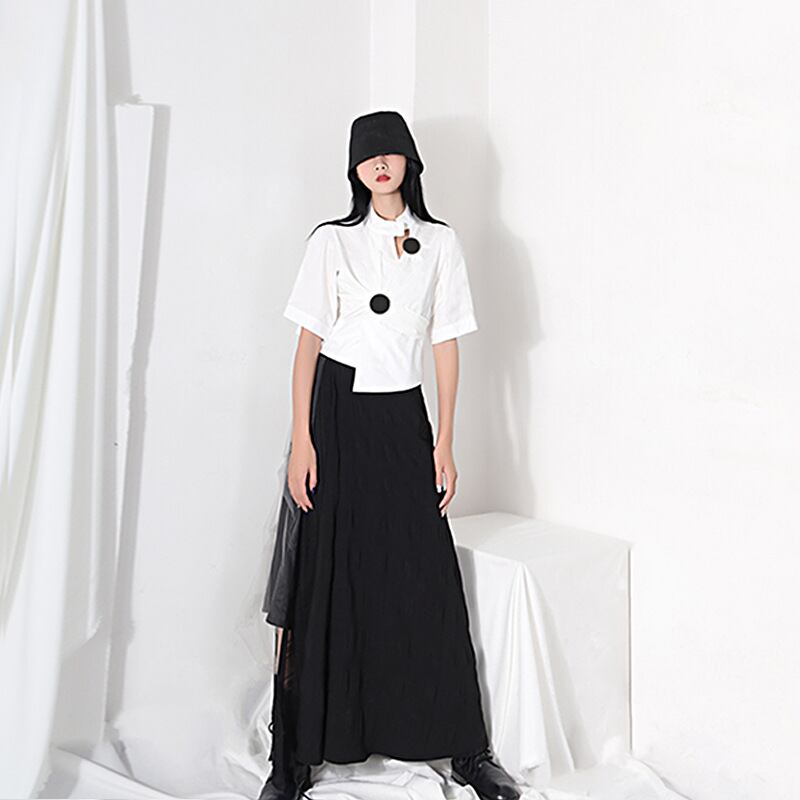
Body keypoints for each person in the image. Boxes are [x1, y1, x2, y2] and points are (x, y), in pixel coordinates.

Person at [258, 110, 520, 800]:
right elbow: (308, 344)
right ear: (355, 169)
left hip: (404, 415)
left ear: (409, 162)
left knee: (426, 577)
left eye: (391, 153)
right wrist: (302, 438)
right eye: (367, 156)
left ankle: (467, 750)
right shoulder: (332, 241)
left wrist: (445, 439)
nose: (379, 164)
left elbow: (445, 341)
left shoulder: (440, 243)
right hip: (336, 415)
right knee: (322, 578)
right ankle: (291, 760)